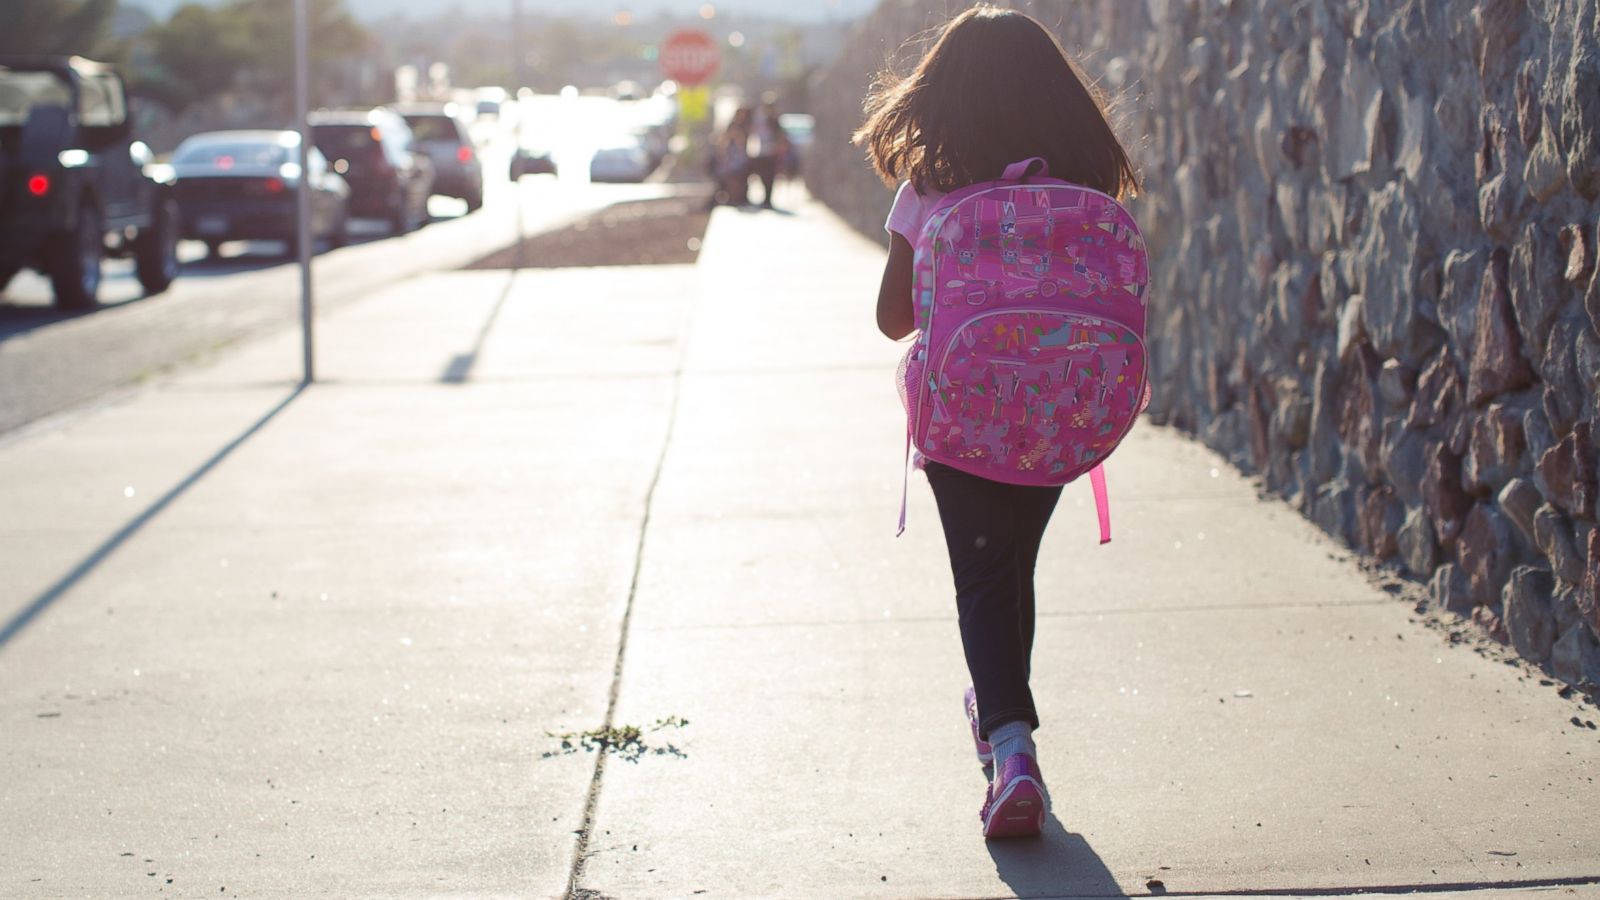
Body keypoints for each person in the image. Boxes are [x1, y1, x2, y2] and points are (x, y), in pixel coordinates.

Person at [852, 5, 1141, 839]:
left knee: (982, 579)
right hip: (1064, 415)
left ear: (946, 95)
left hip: (965, 418)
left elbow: (891, 318)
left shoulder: (930, 188)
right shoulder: (1086, 184)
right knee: (1010, 572)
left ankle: (1010, 751)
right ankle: (1000, 716)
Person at [746, 97, 787, 208]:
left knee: (770, 176)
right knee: (763, 175)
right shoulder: (760, 120)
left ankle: (768, 199)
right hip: (761, 152)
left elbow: (781, 137)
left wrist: (778, 148)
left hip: (771, 153)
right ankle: (765, 198)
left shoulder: (775, 122)